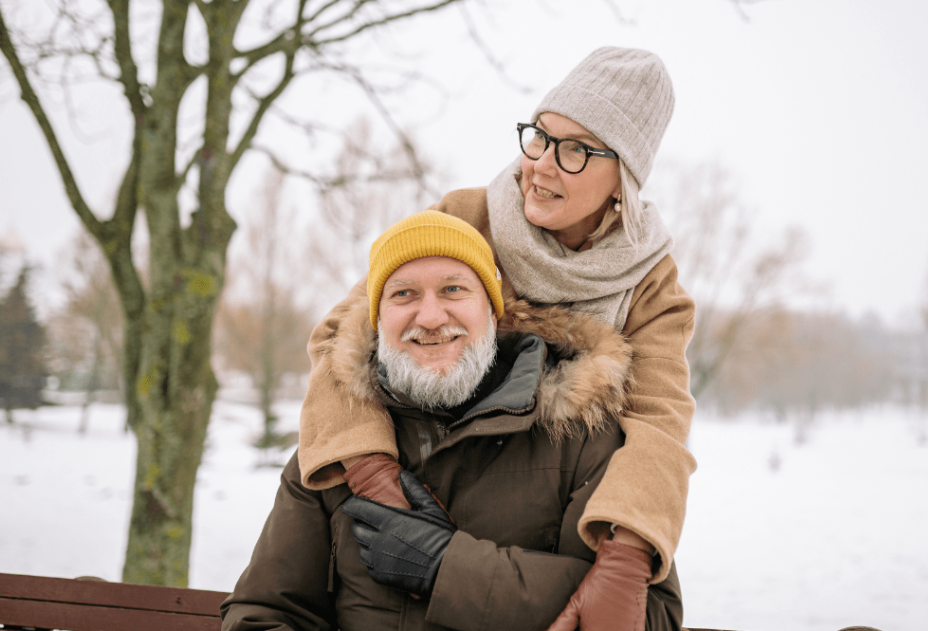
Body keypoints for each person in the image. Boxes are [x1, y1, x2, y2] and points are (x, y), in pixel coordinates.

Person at [298, 46, 697, 628]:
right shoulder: (467, 217)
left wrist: (626, 555)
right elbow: (342, 336)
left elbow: (660, 423)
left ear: (624, 180)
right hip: (433, 480)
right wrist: (369, 467)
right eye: (539, 136)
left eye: (577, 150)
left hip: (548, 511)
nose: (541, 164)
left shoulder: (650, 287)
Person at [221, 211, 684, 631]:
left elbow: (651, 618)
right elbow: (264, 614)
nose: (430, 316)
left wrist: (448, 567)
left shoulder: (582, 438)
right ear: (378, 320)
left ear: (492, 309)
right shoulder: (337, 447)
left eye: (453, 290)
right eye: (403, 295)